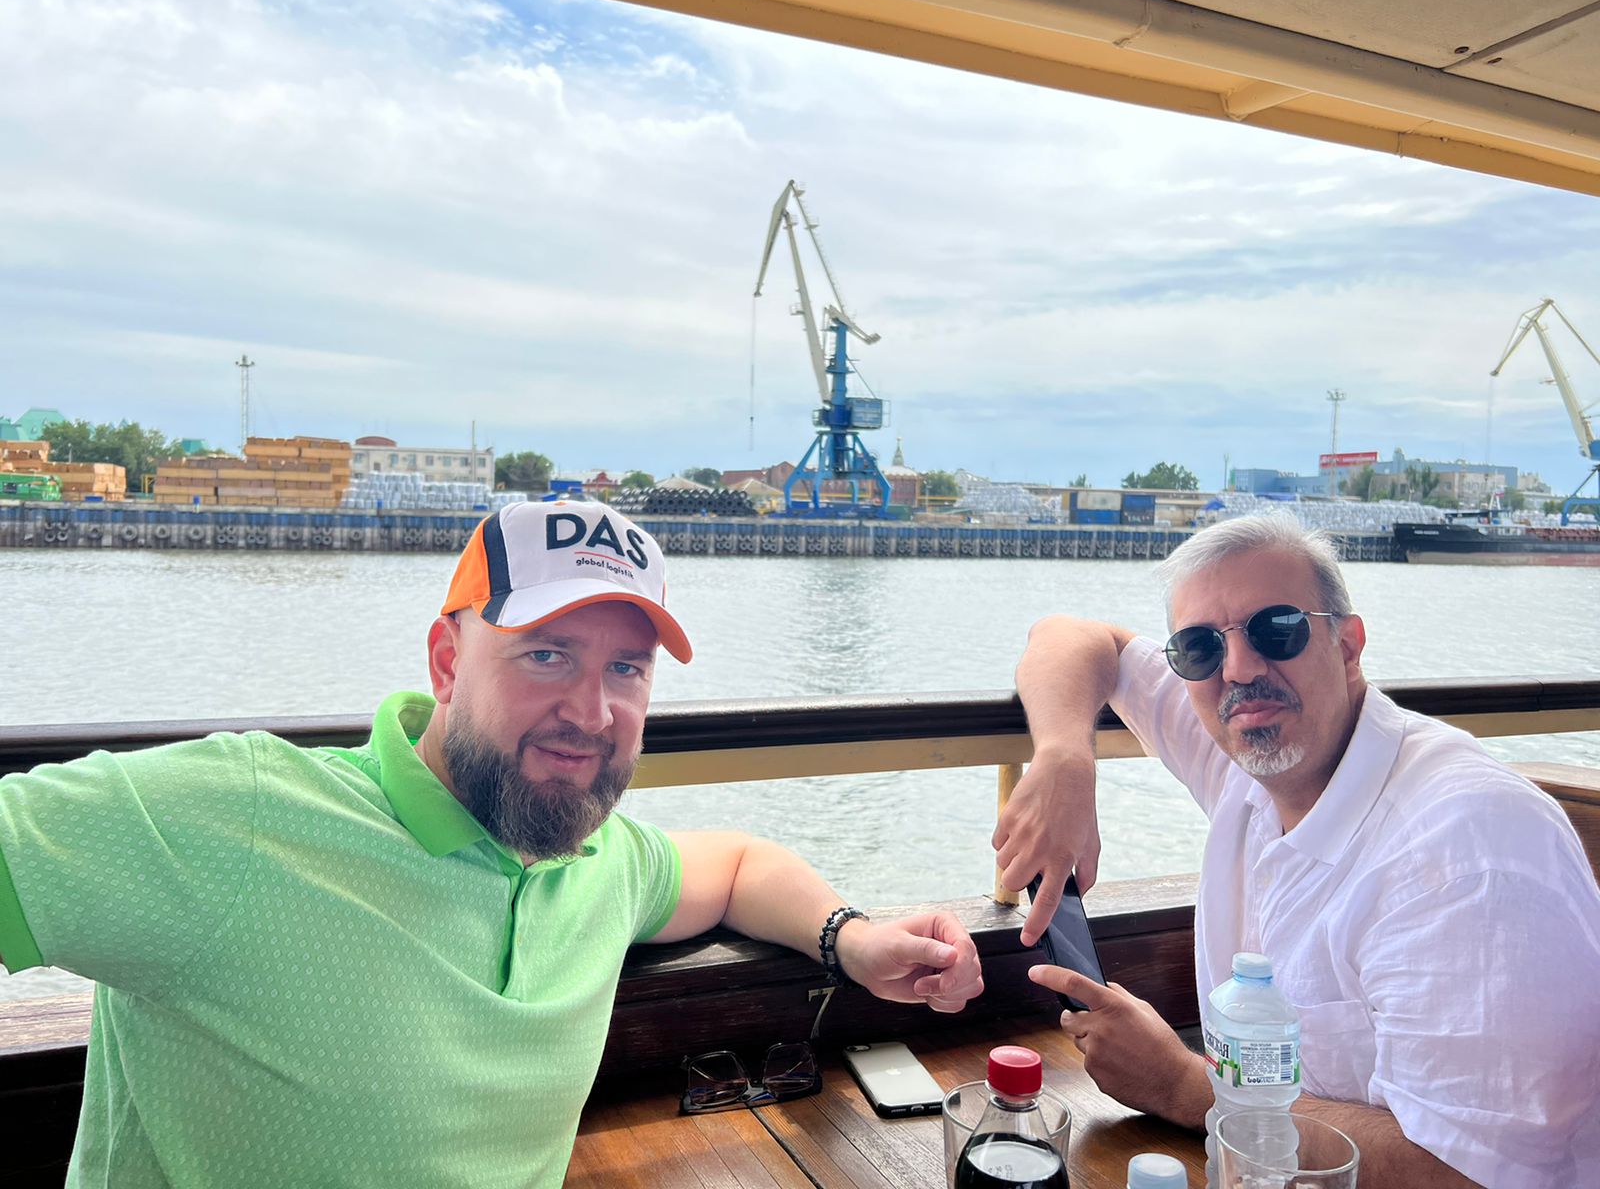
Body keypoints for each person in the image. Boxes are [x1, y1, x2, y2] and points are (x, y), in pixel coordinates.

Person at [0, 500, 983, 1188]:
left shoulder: (597, 859)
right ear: (445, 663)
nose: (591, 712)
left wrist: (854, 939)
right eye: (545, 655)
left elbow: (735, 867)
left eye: (627, 670)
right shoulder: (241, 816)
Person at [994, 512, 1600, 1189]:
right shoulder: (1253, 764)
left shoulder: (1467, 851)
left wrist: (1186, 1087)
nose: (1239, 669)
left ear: (1347, 646)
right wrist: (1064, 759)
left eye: (1276, 630)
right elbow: (1071, 636)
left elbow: (1471, 1173)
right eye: (1199, 649)